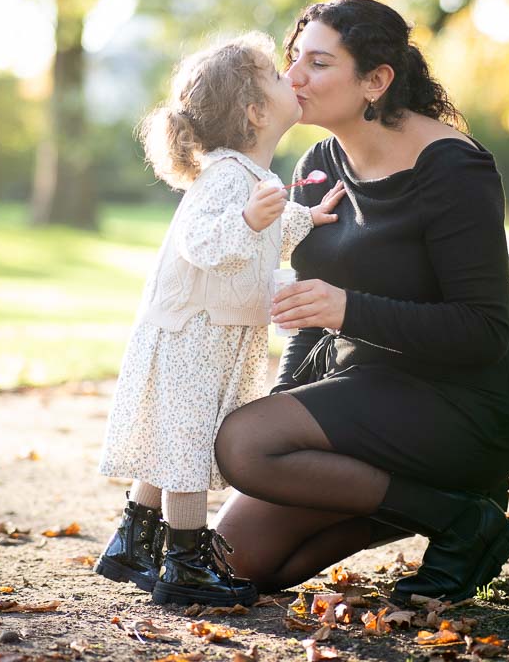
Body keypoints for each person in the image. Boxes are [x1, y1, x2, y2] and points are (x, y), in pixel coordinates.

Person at [212, 0, 509, 604]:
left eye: (317, 63)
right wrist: (290, 408)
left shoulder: (454, 170)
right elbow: (312, 315)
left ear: (376, 80)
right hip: (366, 395)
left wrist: (349, 311)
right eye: (292, 60)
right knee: (239, 564)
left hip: (465, 404)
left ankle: (461, 522)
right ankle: (456, 509)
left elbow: (484, 330)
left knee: (243, 442)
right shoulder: (318, 163)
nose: (293, 78)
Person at [94, 32, 347, 607]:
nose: (294, 80)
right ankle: (183, 562)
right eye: (280, 78)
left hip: (206, 334)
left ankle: (133, 544)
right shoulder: (228, 176)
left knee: (174, 439)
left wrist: (302, 218)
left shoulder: (246, 176)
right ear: (257, 112)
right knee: (185, 449)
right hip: (192, 336)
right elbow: (204, 243)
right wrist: (253, 219)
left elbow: (254, 241)